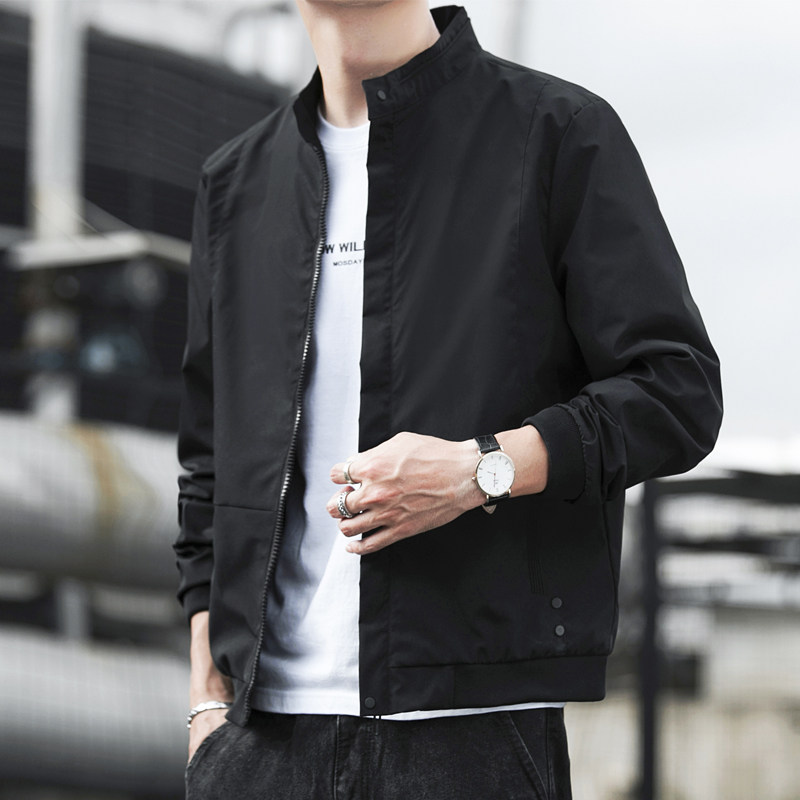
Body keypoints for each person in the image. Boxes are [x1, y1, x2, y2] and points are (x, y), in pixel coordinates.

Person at [174, 2, 722, 797]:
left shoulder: (556, 133)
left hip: (469, 739)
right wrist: (205, 706)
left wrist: (481, 470)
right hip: (259, 746)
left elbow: (677, 390)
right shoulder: (236, 183)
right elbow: (207, 466)